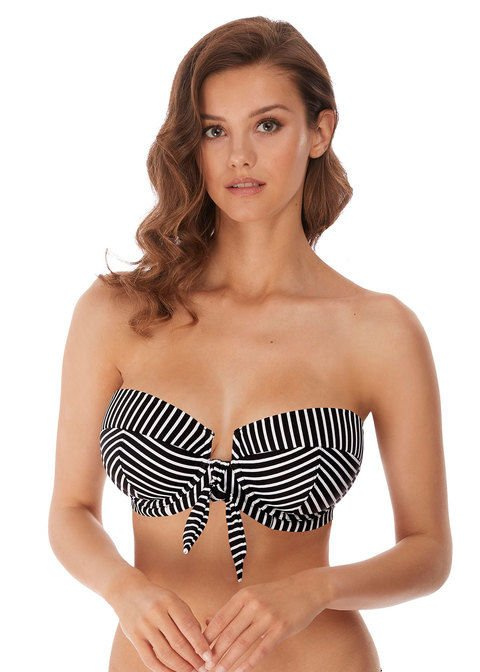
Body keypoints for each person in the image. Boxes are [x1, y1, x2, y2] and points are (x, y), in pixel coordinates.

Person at [48, 15, 452, 672]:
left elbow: (428, 552)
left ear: (319, 131)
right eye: (215, 131)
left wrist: (315, 589)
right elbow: (70, 511)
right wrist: (126, 591)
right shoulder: (118, 312)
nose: (239, 156)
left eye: (267, 125)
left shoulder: (378, 331)